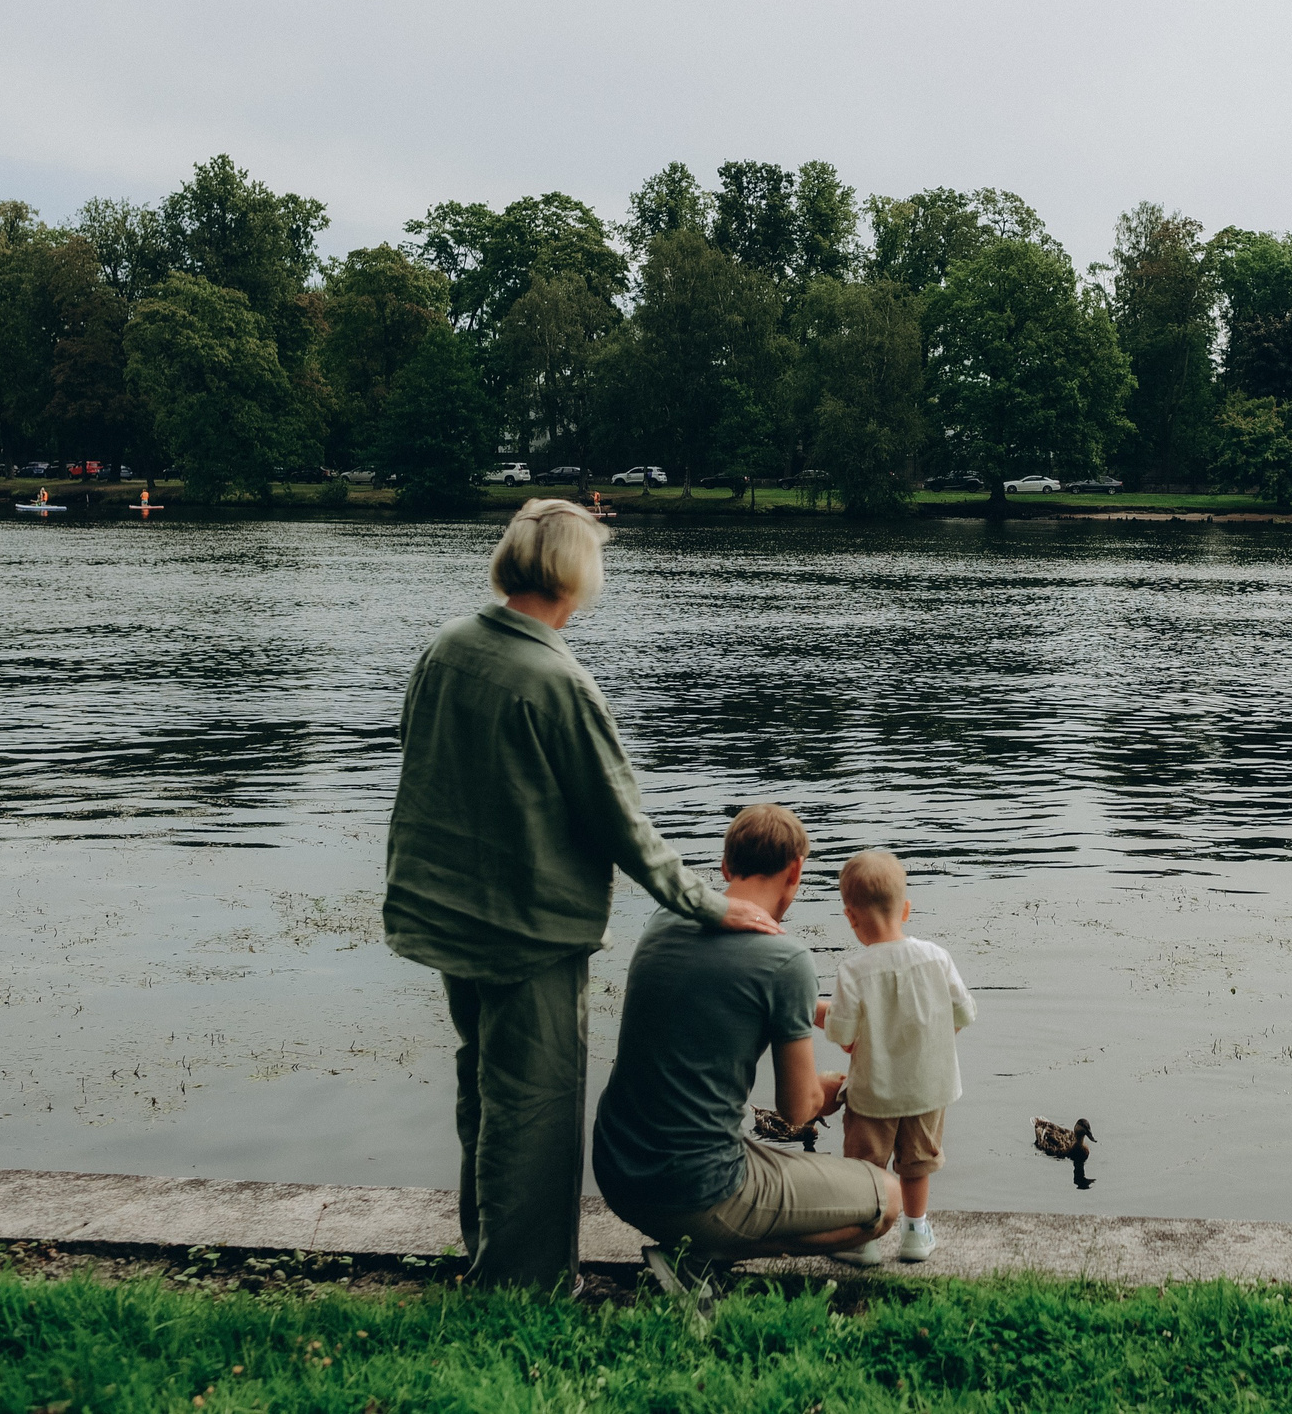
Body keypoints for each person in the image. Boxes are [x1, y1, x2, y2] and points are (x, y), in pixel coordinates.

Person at [383, 498, 781, 1291]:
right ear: (574, 573)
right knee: (536, 1111)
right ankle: (526, 1287)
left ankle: (487, 1253)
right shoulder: (557, 679)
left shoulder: (448, 646)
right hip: (530, 929)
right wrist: (707, 901)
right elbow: (622, 824)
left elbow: (417, 755)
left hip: (449, 915)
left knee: (482, 1092)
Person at [592, 804, 901, 1268]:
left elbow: (727, 991)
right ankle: (703, 1254)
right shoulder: (786, 958)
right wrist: (838, 1088)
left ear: (724, 866)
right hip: (698, 1192)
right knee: (887, 1201)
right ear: (795, 871)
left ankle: (697, 1244)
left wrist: (833, 1013)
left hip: (618, 1174)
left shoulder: (662, 921)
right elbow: (796, 1109)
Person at [818, 848, 977, 1264]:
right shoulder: (936, 957)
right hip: (930, 1087)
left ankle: (863, 1239)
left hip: (874, 1093)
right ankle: (915, 1233)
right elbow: (963, 1012)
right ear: (906, 909)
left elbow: (841, 1032)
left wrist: (823, 1014)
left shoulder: (853, 970)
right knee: (917, 1162)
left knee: (866, 1165)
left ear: (850, 917)